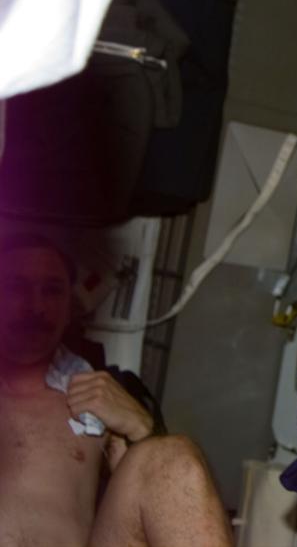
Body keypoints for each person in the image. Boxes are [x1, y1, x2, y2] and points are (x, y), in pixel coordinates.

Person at [0, 232, 232, 547]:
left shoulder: (93, 392)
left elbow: (158, 491)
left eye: (52, 290)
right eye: (17, 287)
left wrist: (140, 425)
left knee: (173, 456)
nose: (35, 306)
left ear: (71, 305)